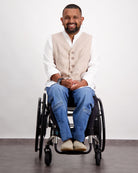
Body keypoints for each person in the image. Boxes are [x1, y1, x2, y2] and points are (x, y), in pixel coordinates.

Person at [43, 4, 98, 151]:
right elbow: (48, 64)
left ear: (81, 19)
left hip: (81, 84)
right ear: (62, 20)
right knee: (56, 91)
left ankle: (79, 139)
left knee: (87, 94)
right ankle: (66, 138)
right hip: (59, 83)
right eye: (67, 17)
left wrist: (83, 82)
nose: (71, 20)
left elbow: (93, 66)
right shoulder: (52, 39)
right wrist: (61, 80)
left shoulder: (90, 40)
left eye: (75, 17)